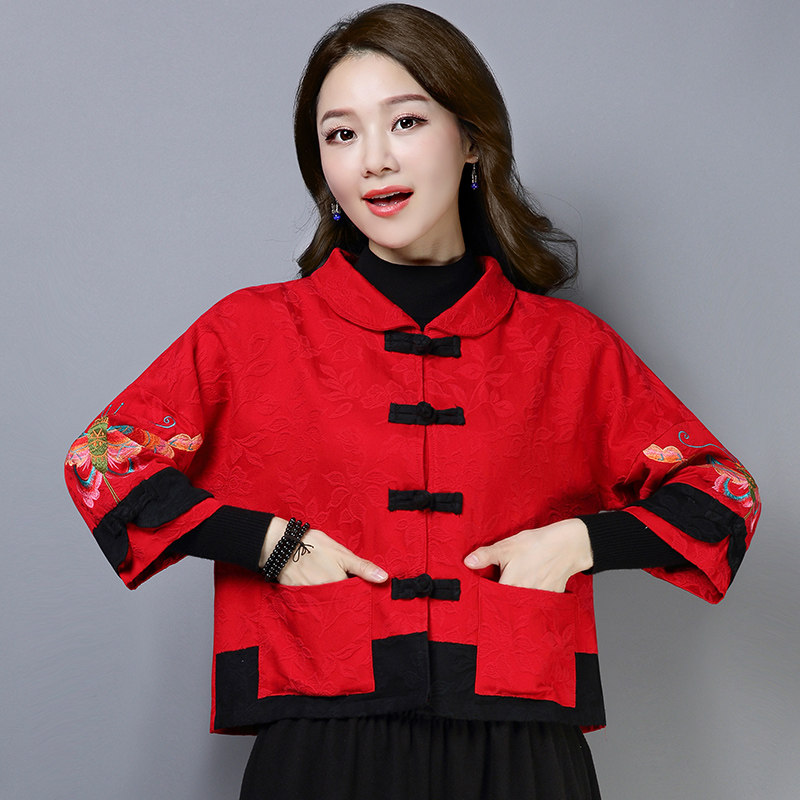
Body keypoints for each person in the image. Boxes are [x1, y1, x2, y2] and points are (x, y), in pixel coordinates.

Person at [64, 4, 760, 798]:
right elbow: (101, 462)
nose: (374, 160)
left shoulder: (569, 348)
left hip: (525, 750)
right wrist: (269, 543)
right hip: (320, 748)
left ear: (471, 140)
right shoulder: (252, 332)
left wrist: (579, 542)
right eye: (341, 134)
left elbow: (723, 493)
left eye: (406, 121)